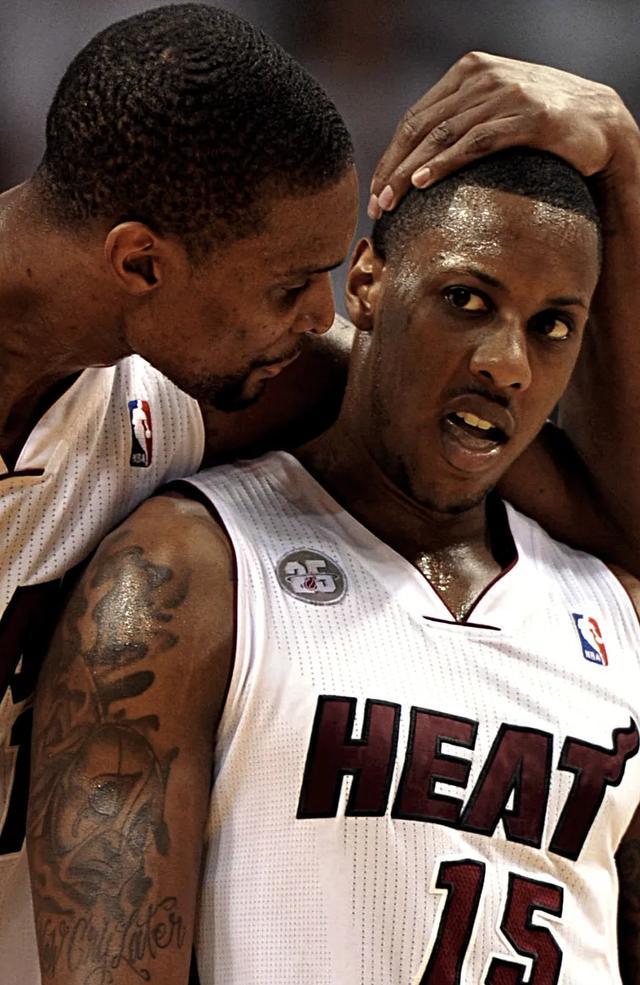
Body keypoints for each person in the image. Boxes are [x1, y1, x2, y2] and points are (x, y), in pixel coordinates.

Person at [29, 147, 640, 983]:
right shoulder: (186, 569)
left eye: (553, 326)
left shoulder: (613, 607)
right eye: (466, 300)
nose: (507, 363)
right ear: (366, 283)